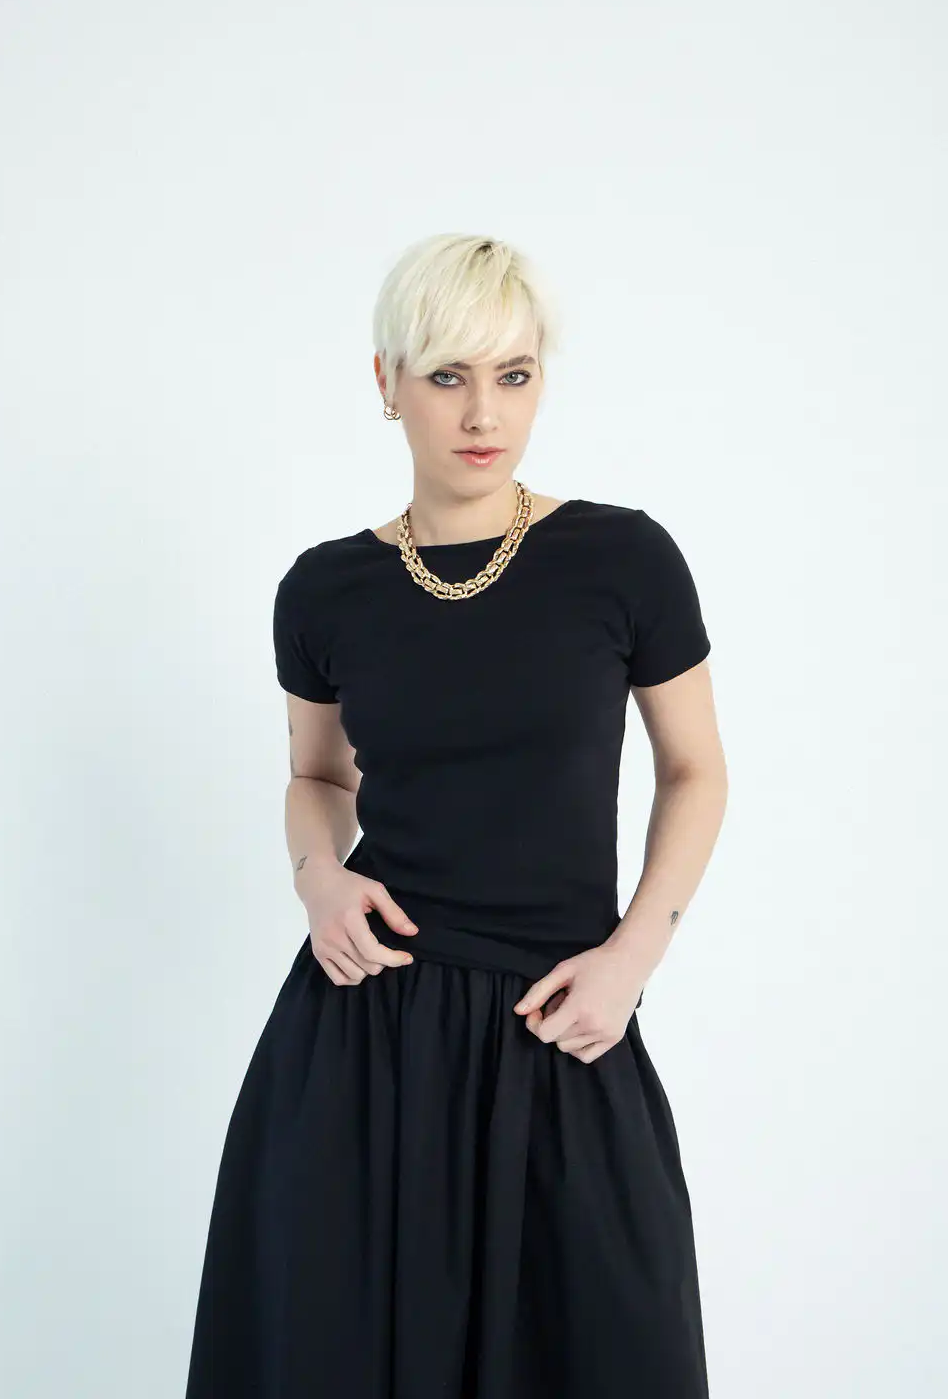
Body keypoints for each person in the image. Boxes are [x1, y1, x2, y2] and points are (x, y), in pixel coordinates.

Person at [184, 232, 728, 1397]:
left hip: (560, 1019)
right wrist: (318, 881)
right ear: (386, 382)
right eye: (447, 376)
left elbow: (696, 771)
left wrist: (633, 955)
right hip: (362, 1035)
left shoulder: (621, 560)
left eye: (513, 375)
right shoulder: (326, 589)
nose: (484, 413)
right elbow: (319, 778)